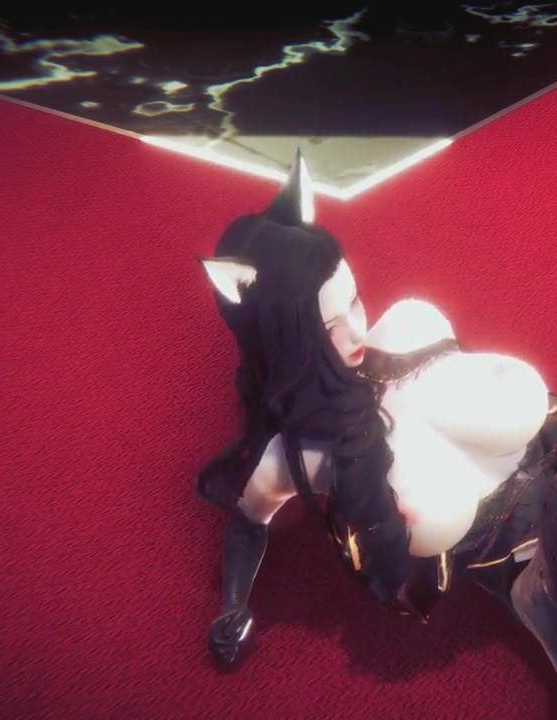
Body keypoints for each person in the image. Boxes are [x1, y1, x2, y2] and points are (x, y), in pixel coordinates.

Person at [195, 151, 410, 664]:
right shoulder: (286, 459)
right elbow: (249, 523)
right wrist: (232, 604)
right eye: (331, 326)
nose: (358, 333)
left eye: (355, 302)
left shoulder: (386, 349)